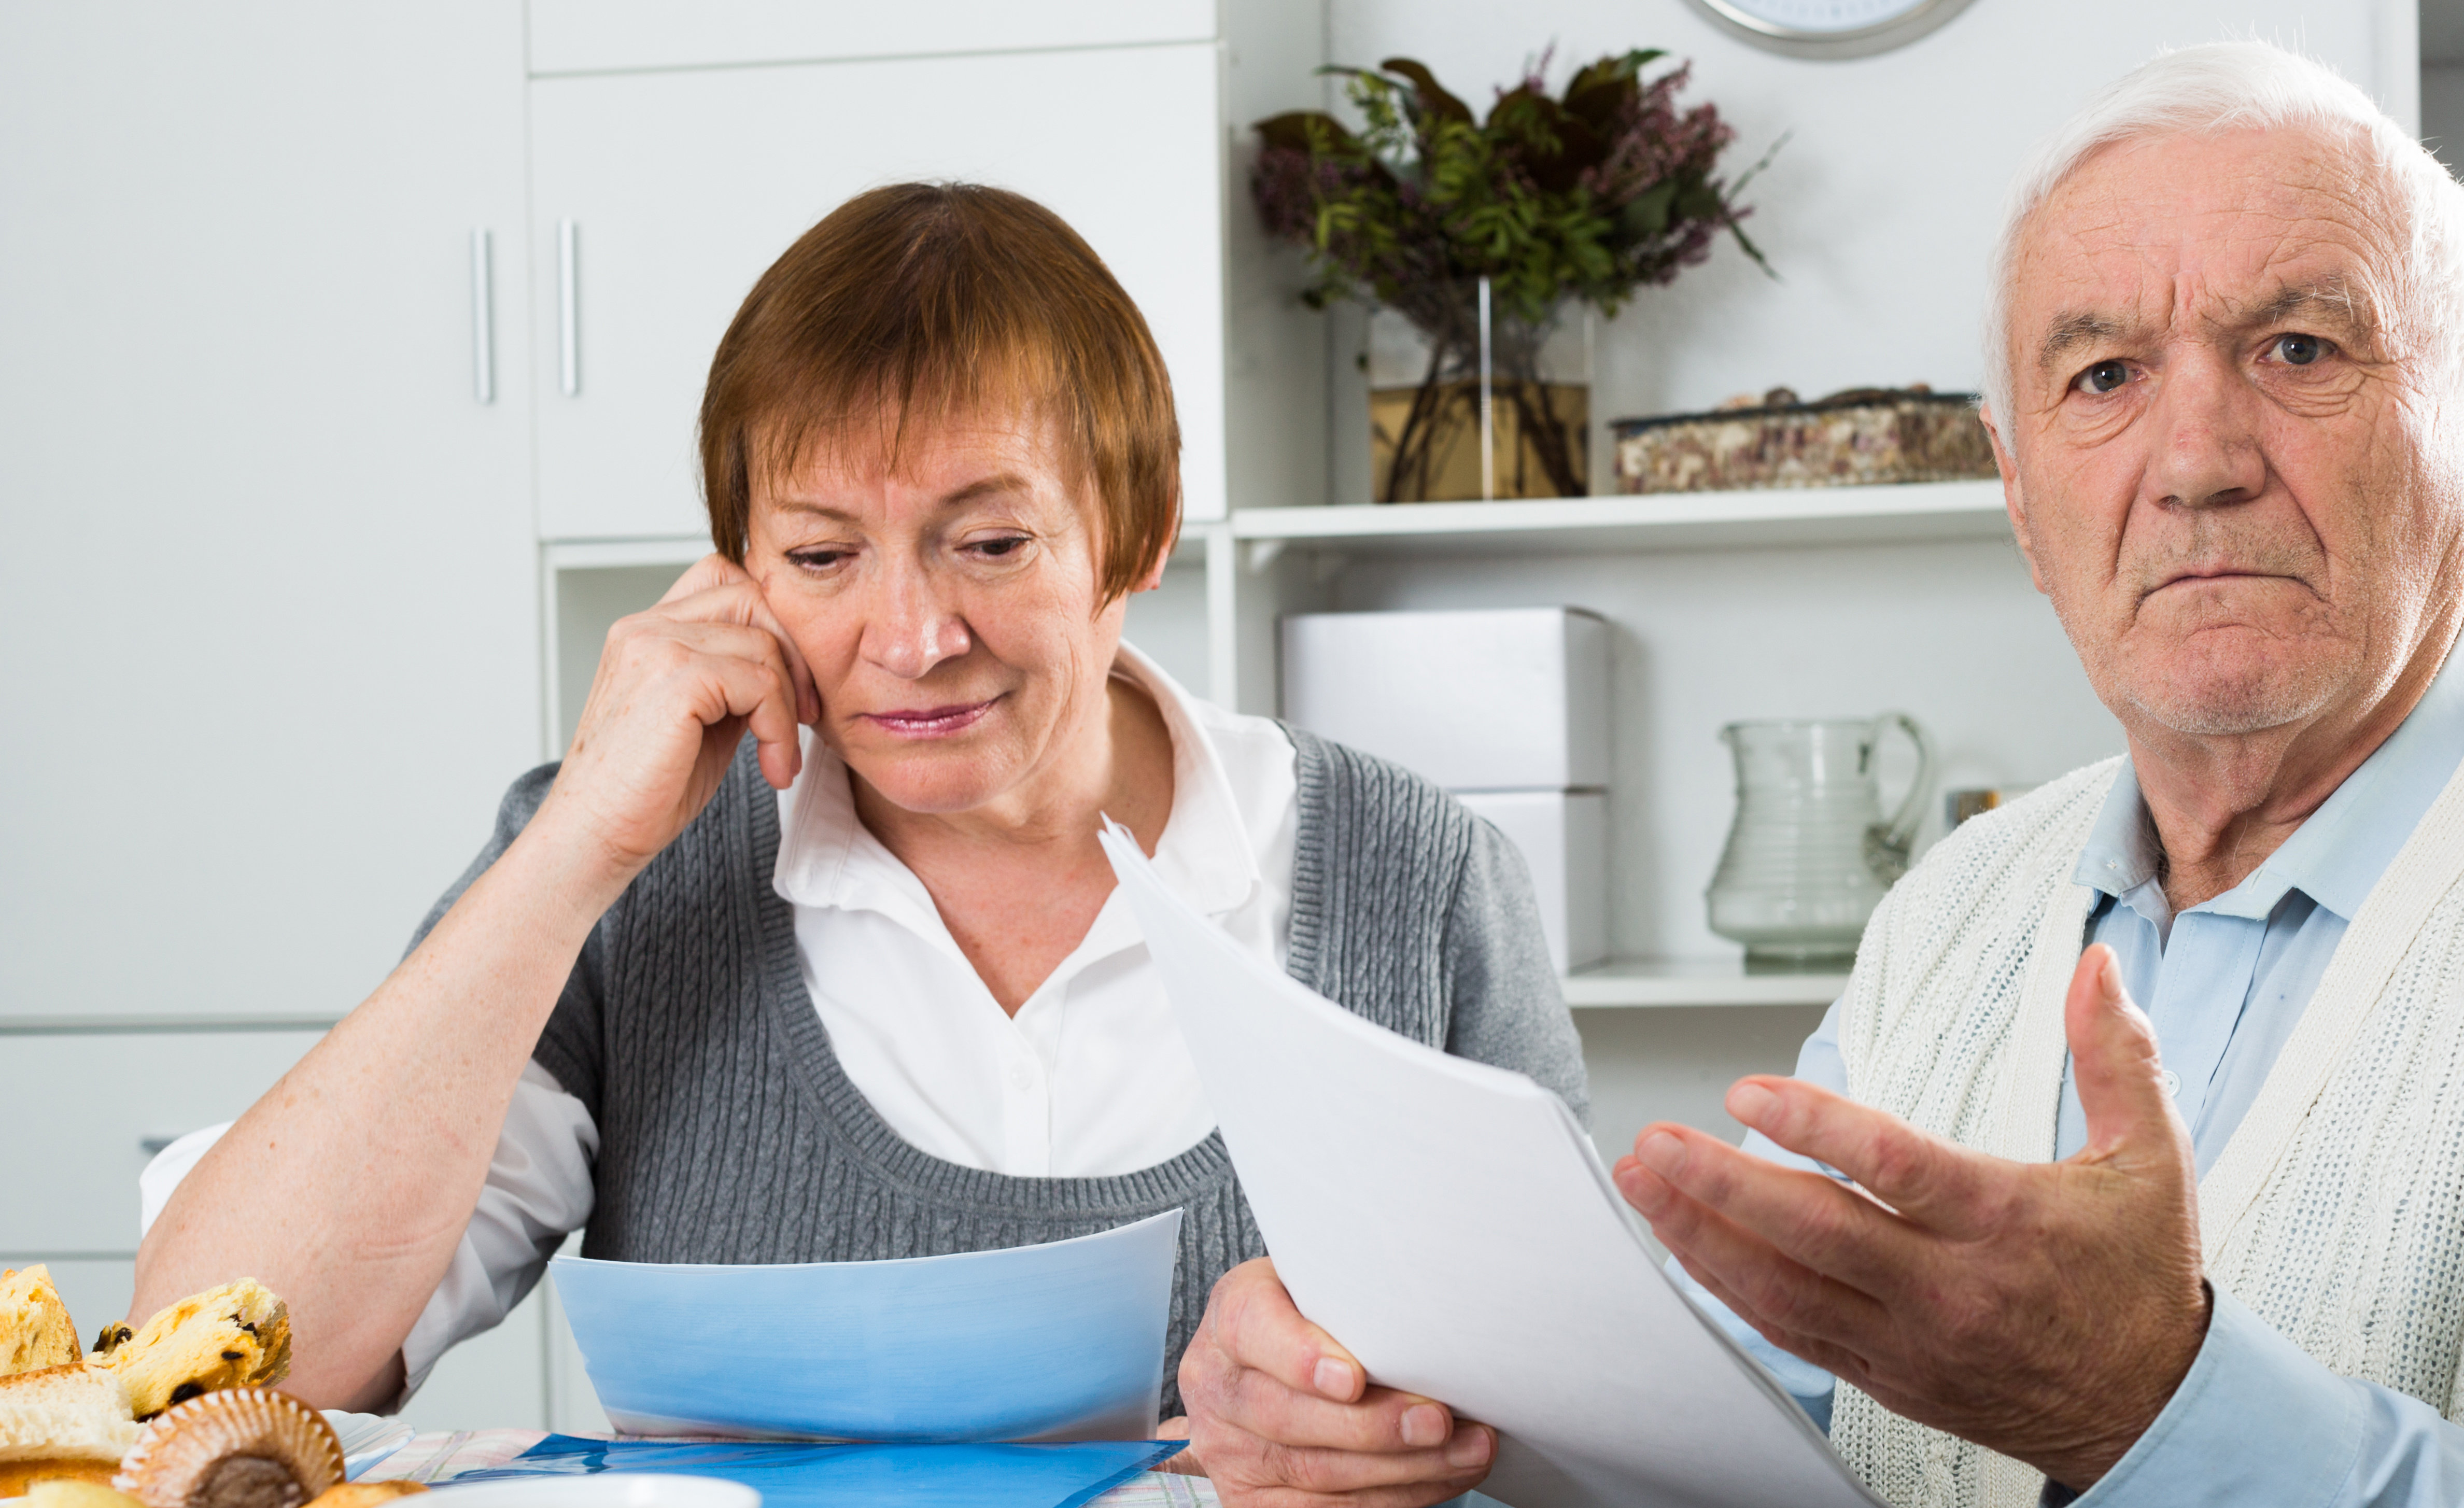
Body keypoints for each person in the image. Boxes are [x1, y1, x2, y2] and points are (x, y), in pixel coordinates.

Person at [1177, 43, 2464, 1508]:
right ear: (2023, 497)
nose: (2196, 459)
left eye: (2300, 348)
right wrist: (1412, 1438)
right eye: (2102, 375)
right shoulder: (1956, 909)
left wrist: (2149, 1414)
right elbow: (1756, 1471)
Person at [131, 181, 1580, 1444]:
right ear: (737, 572)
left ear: (1134, 535)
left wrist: (1424, 1469)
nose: (912, 634)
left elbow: (1620, 1505)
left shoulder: (1420, 881)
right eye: (823, 556)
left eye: (992, 543)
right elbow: (221, 1371)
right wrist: (577, 845)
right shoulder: (619, 873)